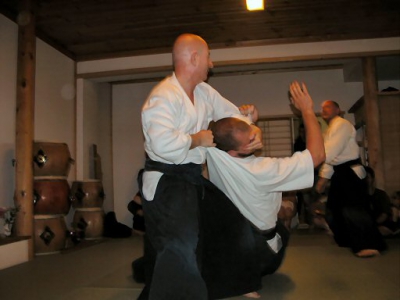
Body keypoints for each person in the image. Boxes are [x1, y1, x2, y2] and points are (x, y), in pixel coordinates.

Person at [139, 33, 262, 300]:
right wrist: (197, 139)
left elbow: (232, 115)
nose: (212, 64)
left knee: (231, 223)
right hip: (167, 181)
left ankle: (231, 284)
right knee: (181, 244)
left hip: (192, 178)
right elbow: (161, 144)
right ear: (195, 57)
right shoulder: (163, 96)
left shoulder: (204, 92)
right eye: (208, 57)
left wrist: (250, 118)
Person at [206, 81, 325, 293]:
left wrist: (252, 121)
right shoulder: (263, 170)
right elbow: (317, 156)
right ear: (240, 148)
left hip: (246, 245)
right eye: (252, 136)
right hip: (261, 254)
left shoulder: (215, 153)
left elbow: (226, 129)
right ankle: (243, 278)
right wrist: (307, 110)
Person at [315, 100, 387, 257]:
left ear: (338, 110)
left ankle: (369, 245)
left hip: (350, 172)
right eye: (322, 108)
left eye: (328, 107)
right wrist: (324, 178)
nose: (324, 109)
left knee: (353, 210)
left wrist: (320, 174)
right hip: (339, 172)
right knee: (334, 209)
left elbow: (330, 152)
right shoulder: (330, 129)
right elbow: (331, 157)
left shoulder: (342, 124)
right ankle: (347, 239)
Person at [365, 166, 399, 237]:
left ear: (372, 179)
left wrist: (374, 225)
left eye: (367, 177)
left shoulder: (381, 195)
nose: (365, 180)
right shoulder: (360, 196)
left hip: (382, 225)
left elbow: (384, 214)